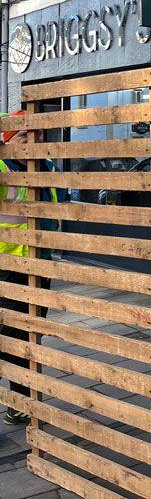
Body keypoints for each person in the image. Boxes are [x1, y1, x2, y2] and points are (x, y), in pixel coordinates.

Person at [0, 110, 62, 426]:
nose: (33, 144)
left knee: (29, 334)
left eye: (37, 137)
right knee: (8, 333)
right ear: (10, 141)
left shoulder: (45, 167)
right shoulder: (1, 167)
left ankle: (20, 402)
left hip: (38, 264)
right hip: (6, 266)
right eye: (25, 137)